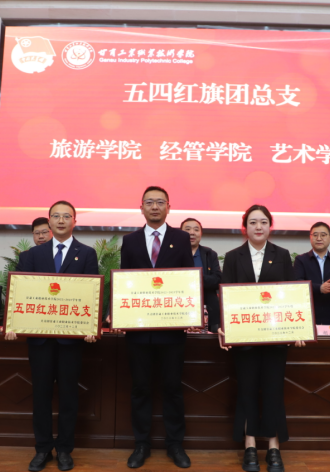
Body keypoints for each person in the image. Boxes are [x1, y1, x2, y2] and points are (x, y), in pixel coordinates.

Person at [5, 200, 99, 472]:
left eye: (66, 216)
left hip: (71, 340)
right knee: (41, 395)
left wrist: (91, 327)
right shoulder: (32, 255)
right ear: (49, 222)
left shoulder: (87, 253)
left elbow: (91, 293)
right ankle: (43, 448)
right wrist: (13, 323)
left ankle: (65, 449)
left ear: (74, 221)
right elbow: (21, 292)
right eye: (55, 216)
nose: (60, 220)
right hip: (40, 340)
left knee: (69, 396)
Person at [217, 205, 305, 472]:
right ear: (245, 227)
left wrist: (298, 329)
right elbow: (225, 296)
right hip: (244, 337)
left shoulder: (283, 255)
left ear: (270, 226)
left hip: (275, 337)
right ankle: (250, 446)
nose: (258, 227)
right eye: (253, 222)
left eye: (263, 222)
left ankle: (274, 447)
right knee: (247, 390)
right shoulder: (233, 257)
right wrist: (222, 327)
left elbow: (292, 295)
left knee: (273, 389)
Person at [112, 186, 194, 469]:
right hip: (138, 331)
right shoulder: (130, 240)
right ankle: (141, 444)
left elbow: (188, 280)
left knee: (172, 388)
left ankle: (175, 445)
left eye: (160, 202)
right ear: (142, 208)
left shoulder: (181, 238)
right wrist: (117, 313)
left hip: (172, 330)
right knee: (140, 388)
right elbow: (124, 281)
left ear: (169, 207)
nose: (155, 207)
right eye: (150, 202)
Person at [293, 221, 330, 325]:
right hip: (308, 318)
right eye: (315, 235)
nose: (319, 238)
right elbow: (297, 284)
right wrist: (320, 288)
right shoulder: (301, 260)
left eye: (323, 235)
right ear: (310, 238)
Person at [180, 218, 222, 333]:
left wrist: (194, 278)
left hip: (208, 310)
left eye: (196, 229)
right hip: (181, 309)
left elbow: (217, 279)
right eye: (187, 229)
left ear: (201, 233)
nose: (192, 232)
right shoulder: (174, 254)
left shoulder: (210, 254)